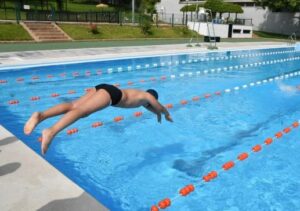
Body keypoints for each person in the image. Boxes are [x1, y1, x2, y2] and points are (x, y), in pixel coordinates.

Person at [24, 84, 173, 155]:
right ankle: (51, 131)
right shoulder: (147, 97)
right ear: (152, 96)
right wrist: (165, 114)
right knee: (81, 111)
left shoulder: (143, 99)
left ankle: (41, 115)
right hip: (112, 95)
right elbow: (158, 106)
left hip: (106, 88)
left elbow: (154, 108)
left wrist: (158, 115)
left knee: (74, 105)